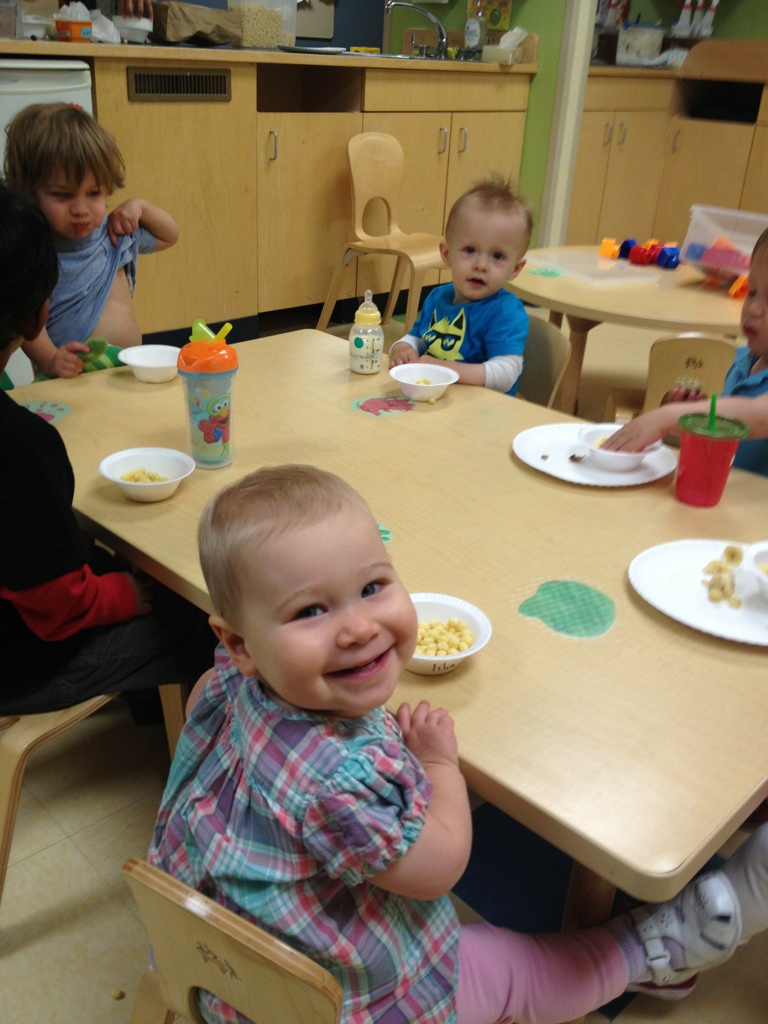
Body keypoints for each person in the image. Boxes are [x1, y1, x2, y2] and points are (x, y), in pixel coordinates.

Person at [148, 462, 768, 1024]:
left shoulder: (223, 682)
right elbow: (441, 867)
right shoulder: (339, 784)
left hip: (208, 962)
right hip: (324, 1004)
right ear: (240, 643)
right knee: (510, 969)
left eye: (372, 587)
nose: (359, 627)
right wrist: (439, 763)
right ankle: (648, 951)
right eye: (311, 611)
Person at [0, 182, 213, 720]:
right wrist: (123, 596)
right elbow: (57, 607)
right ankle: (199, 748)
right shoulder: (21, 447)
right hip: (19, 664)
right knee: (205, 618)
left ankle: (149, 705)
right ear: (39, 317)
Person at [3, 102, 178, 381]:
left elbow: (168, 236)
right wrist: (50, 360)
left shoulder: (114, 232)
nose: (81, 209)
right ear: (29, 191)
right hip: (66, 377)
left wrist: (141, 207)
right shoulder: (33, 250)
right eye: (62, 195)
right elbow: (25, 320)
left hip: (126, 373)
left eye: (94, 193)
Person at [604, 227, 768, 474]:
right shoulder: (743, 359)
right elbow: (730, 429)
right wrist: (699, 418)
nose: (753, 308)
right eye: (752, 291)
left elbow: (757, 416)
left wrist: (667, 417)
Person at [389, 176, 531, 396]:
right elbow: (418, 337)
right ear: (447, 254)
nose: (481, 265)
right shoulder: (437, 297)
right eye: (470, 250)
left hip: (483, 409)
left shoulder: (506, 312)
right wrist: (402, 348)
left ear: (515, 269)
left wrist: (443, 368)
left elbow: (505, 375)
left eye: (497, 256)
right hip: (440, 400)